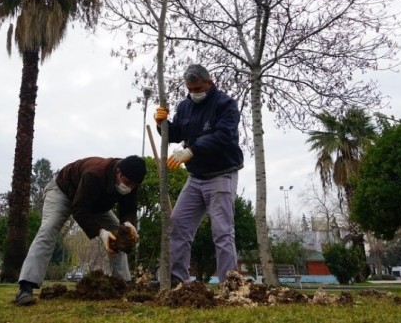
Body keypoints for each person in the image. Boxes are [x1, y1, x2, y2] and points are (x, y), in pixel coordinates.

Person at [14, 155, 147, 306]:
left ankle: (122, 283)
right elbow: (79, 209)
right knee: (48, 229)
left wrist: (129, 224)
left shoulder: (132, 181)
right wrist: (101, 233)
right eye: (127, 182)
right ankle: (26, 287)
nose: (128, 187)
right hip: (63, 192)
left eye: (133, 185)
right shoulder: (95, 173)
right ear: (118, 172)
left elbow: (128, 209)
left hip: (93, 203)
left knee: (121, 235)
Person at [154, 64, 244, 285]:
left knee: (222, 232)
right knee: (178, 224)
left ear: (209, 83)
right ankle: (177, 279)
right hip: (195, 178)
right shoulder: (185, 107)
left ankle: (228, 283)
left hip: (221, 175)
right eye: (190, 89)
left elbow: (223, 135)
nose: (194, 93)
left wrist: (191, 150)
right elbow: (175, 135)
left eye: (198, 88)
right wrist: (161, 124)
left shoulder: (226, 105)